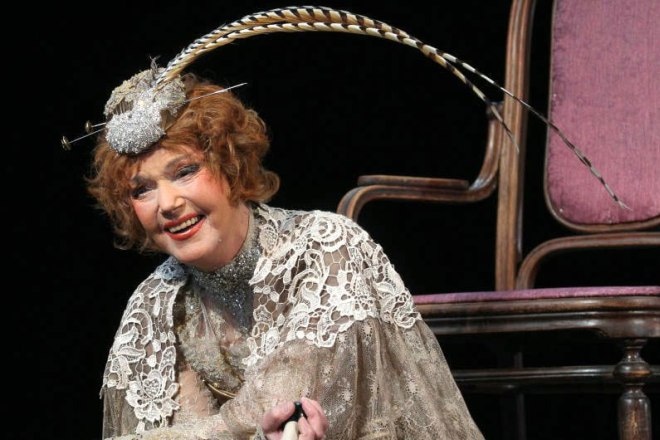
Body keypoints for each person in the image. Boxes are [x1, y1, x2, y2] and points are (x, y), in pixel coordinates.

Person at [72, 6, 486, 440]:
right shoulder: (157, 306)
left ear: (229, 164)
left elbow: (285, 407)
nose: (168, 204)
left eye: (185, 171)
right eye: (142, 190)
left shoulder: (323, 249)